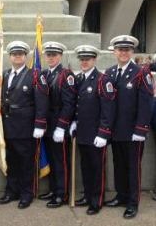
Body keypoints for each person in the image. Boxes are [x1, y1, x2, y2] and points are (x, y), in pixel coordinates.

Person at [104, 35, 154, 219]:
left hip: (133, 132)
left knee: (133, 168)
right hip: (115, 131)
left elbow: (146, 103)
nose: (123, 53)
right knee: (119, 165)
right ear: (115, 52)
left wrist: (141, 129)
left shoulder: (141, 73)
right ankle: (121, 195)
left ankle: (133, 202)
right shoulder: (109, 72)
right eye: (120, 49)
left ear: (132, 52)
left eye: (127, 50)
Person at [0, 41, 49, 209]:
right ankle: (11, 191)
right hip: (8, 126)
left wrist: (39, 125)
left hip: (26, 128)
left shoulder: (35, 75)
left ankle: (27, 193)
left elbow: (42, 102)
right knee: (11, 162)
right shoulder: (4, 74)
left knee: (26, 163)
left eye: (20, 54)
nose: (17, 56)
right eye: (14, 54)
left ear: (26, 56)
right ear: (10, 56)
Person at [70, 45, 116, 215]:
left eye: (87, 59)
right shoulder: (79, 78)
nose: (84, 62)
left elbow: (108, 109)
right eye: (81, 59)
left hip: (96, 135)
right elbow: (78, 105)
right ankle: (88, 195)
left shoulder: (103, 80)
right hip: (82, 133)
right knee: (86, 167)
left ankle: (97, 200)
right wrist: (74, 122)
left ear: (94, 60)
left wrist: (104, 132)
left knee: (97, 169)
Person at [38, 42, 76, 208]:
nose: (51, 57)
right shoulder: (45, 74)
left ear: (60, 56)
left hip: (59, 127)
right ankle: (54, 190)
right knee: (53, 161)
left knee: (61, 162)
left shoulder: (65, 75)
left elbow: (69, 104)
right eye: (48, 55)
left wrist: (62, 126)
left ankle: (62, 194)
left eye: (54, 55)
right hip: (47, 126)